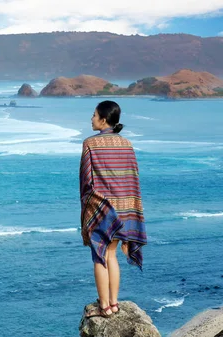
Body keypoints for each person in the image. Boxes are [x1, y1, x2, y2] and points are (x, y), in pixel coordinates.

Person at [80, 100, 147, 318]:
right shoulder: (127, 144)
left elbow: (86, 180)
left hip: (101, 209)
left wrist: (87, 209)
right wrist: (132, 209)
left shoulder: (90, 143)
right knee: (112, 255)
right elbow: (132, 178)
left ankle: (104, 307)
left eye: (93, 115)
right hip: (123, 209)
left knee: (100, 256)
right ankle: (114, 304)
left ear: (104, 119)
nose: (91, 118)